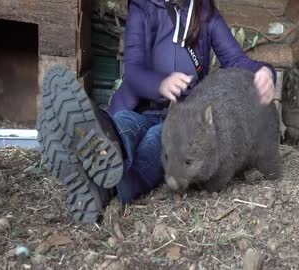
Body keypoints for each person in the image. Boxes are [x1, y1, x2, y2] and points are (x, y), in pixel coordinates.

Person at [38, 0, 277, 224]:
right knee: (123, 125)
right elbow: (133, 70)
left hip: (179, 119)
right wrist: (160, 84)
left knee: (155, 144)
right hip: (139, 106)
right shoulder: (143, 6)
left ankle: (97, 181)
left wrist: (264, 72)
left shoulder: (205, 12)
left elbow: (236, 59)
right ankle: (97, 144)